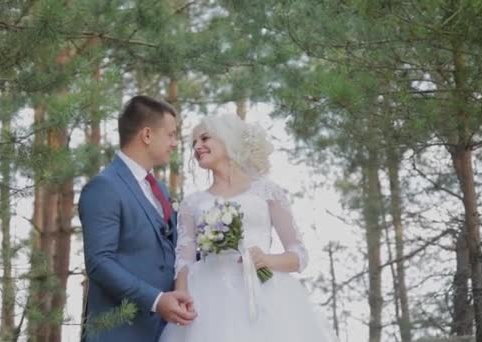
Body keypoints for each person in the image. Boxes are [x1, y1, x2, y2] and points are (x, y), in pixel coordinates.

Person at [159, 113, 336, 342]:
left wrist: (267, 260)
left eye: (204, 138)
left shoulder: (266, 191)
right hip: (207, 300)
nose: (197, 146)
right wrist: (181, 295)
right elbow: (184, 260)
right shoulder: (191, 203)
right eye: (194, 143)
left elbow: (299, 255)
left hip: (264, 294)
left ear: (227, 139)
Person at [79, 95, 197, 342]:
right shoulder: (104, 187)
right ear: (146, 135)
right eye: (171, 134)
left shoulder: (161, 190)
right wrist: (156, 300)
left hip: (164, 332)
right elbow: (100, 263)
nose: (175, 143)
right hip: (119, 333)